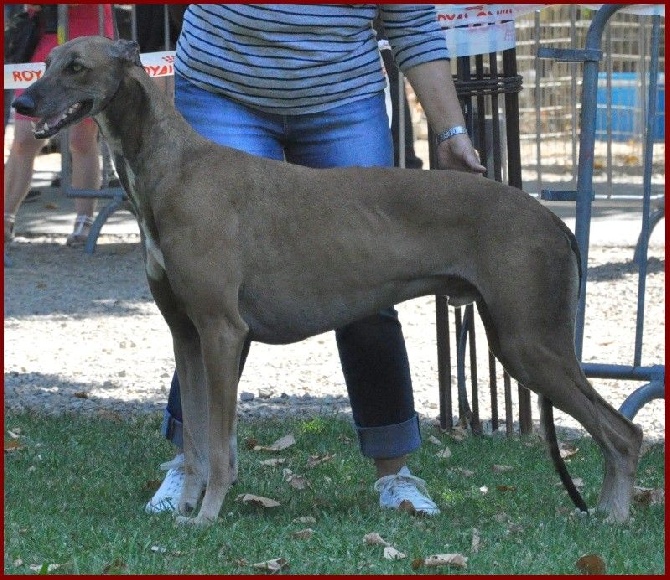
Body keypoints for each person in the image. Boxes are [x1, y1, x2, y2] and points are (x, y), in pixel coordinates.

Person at [146, 4, 485, 517]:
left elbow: (412, 22)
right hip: (223, 92)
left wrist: (450, 133)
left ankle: (395, 473)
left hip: (342, 100)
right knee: (211, 298)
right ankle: (191, 465)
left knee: (372, 288)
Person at [4, 4, 115, 254]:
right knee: (23, 138)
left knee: (81, 140)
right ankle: (6, 217)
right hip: (48, 32)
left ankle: (83, 221)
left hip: (89, 31)